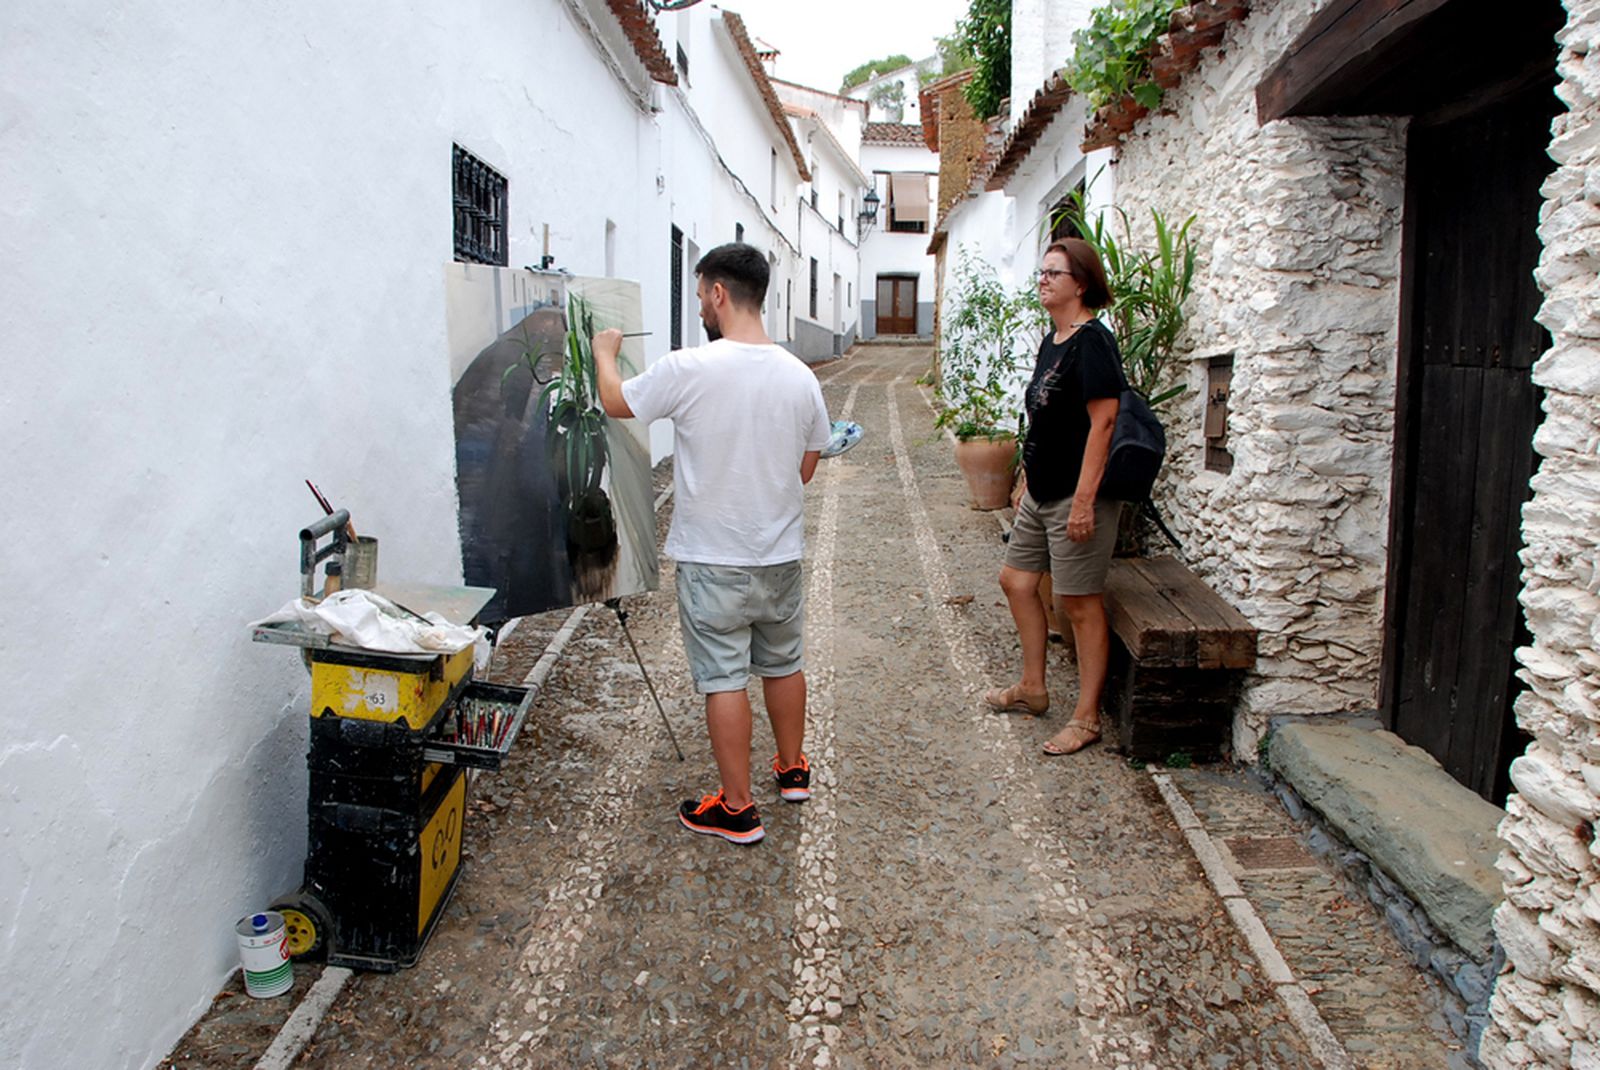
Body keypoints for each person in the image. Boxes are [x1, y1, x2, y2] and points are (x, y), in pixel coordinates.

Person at [592, 243, 832, 844]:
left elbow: (616, 402)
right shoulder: (800, 377)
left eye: (701, 294)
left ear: (719, 293)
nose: (701, 305)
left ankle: (737, 807)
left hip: (712, 558)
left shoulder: (688, 368)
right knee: (783, 663)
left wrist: (604, 353)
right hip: (779, 555)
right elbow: (806, 468)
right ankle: (792, 771)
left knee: (724, 676)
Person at [983, 238, 1123, 756]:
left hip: (1076, 494)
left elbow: (1104, 423)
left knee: (1078, 604)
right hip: (1042, 492)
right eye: (1041, 273)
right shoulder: (1054, 340)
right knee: (1016, 581)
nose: (1042, 280)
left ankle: (1086, 718)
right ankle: (1033, 687)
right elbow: (1044, 420)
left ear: (1080, 284)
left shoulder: (1093, 344)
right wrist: (1024, 480)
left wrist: (1084, 501)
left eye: (1053, 273)